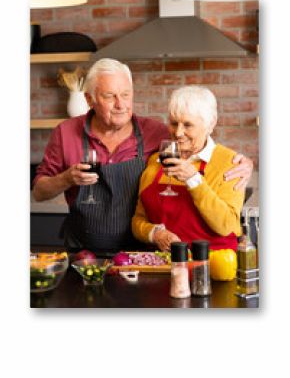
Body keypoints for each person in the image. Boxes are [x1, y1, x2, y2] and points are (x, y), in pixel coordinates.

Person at [33, 59, 253, 252]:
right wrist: (67, 178)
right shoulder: (65, 133)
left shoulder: (155, 133)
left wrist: (245, 162)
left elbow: (201, 145)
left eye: (126, 95)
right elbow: (39, 192)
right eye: (110, 96)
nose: (120, 104)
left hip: (137, 254)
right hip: (83, 251)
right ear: (90, 99)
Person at [132, 85, 246, 252]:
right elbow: (138, 220)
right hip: (162, 267)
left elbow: (226, 225)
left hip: (212, 268)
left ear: (210, 124)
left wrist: (194, 179)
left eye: (187, 125)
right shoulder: (156, 160)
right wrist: (155, 234)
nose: (178, 132)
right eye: (173, 123)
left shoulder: (231, 163)